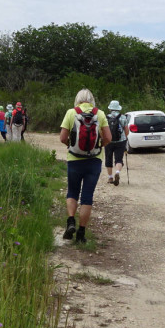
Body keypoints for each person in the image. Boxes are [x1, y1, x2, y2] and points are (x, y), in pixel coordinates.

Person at [58, 89, 112, 243]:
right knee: (87, 196)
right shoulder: (99, 114)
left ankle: (70, 222)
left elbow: (62, 137)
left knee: (72, 192)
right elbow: (108, 137)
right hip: (94, 161)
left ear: (78, 99)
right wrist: (99, 146)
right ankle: (81, 233)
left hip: (74, 159)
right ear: (92, 100)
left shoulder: (71, 112)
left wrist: (72, 145)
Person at [103, 100, 129, 186]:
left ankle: (110, 177)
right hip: (120, 142)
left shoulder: (106, 117)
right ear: (118, 108)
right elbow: (126, 131)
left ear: (110, 108)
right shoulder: (123, 117)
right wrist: (124, 138)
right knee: (118, 159)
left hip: (108, 141)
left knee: (108, 158)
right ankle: (117, 172)